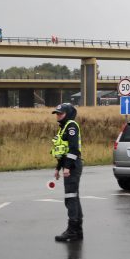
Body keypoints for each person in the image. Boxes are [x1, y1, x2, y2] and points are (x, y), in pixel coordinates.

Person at [51, 103, 83, 242]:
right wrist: (58, 167)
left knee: (70, 197)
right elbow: (63, 150)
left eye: (60, 113)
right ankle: (77, 230)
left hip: (73, 166)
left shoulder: (71, 126)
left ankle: (72, 231)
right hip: (69, 165)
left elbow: (74, 149)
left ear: (68, 113)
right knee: (73, 197)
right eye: (57, 113)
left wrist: (68, 167)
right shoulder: (63, 128)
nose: (58, 116)